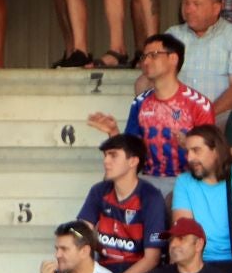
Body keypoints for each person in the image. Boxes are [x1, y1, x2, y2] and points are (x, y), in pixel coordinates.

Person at [90, 33, 214, 186]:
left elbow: (211, 157)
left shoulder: (198, 104)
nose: (146, 61)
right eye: (144, 57)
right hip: (147, 182)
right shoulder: (140, 103)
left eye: (153, 55)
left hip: (189, 182)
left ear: (173, 59)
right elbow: (130, 154)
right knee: (108, 186)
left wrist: (189, 146)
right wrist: (113, 132)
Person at [75, 134, 166, 273]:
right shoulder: (99, 191)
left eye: (113, 155)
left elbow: (152, 258)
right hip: (102, 268)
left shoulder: (151, 197)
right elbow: (80, 233)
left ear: (133, 161)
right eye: (105, 155)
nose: (106, 161)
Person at [171, 125, 232, 273]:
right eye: (188, 151)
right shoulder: (184, 182)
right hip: (200, 261)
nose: (189, 158)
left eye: (196, 150)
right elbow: (183, 231)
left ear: (216, 151)